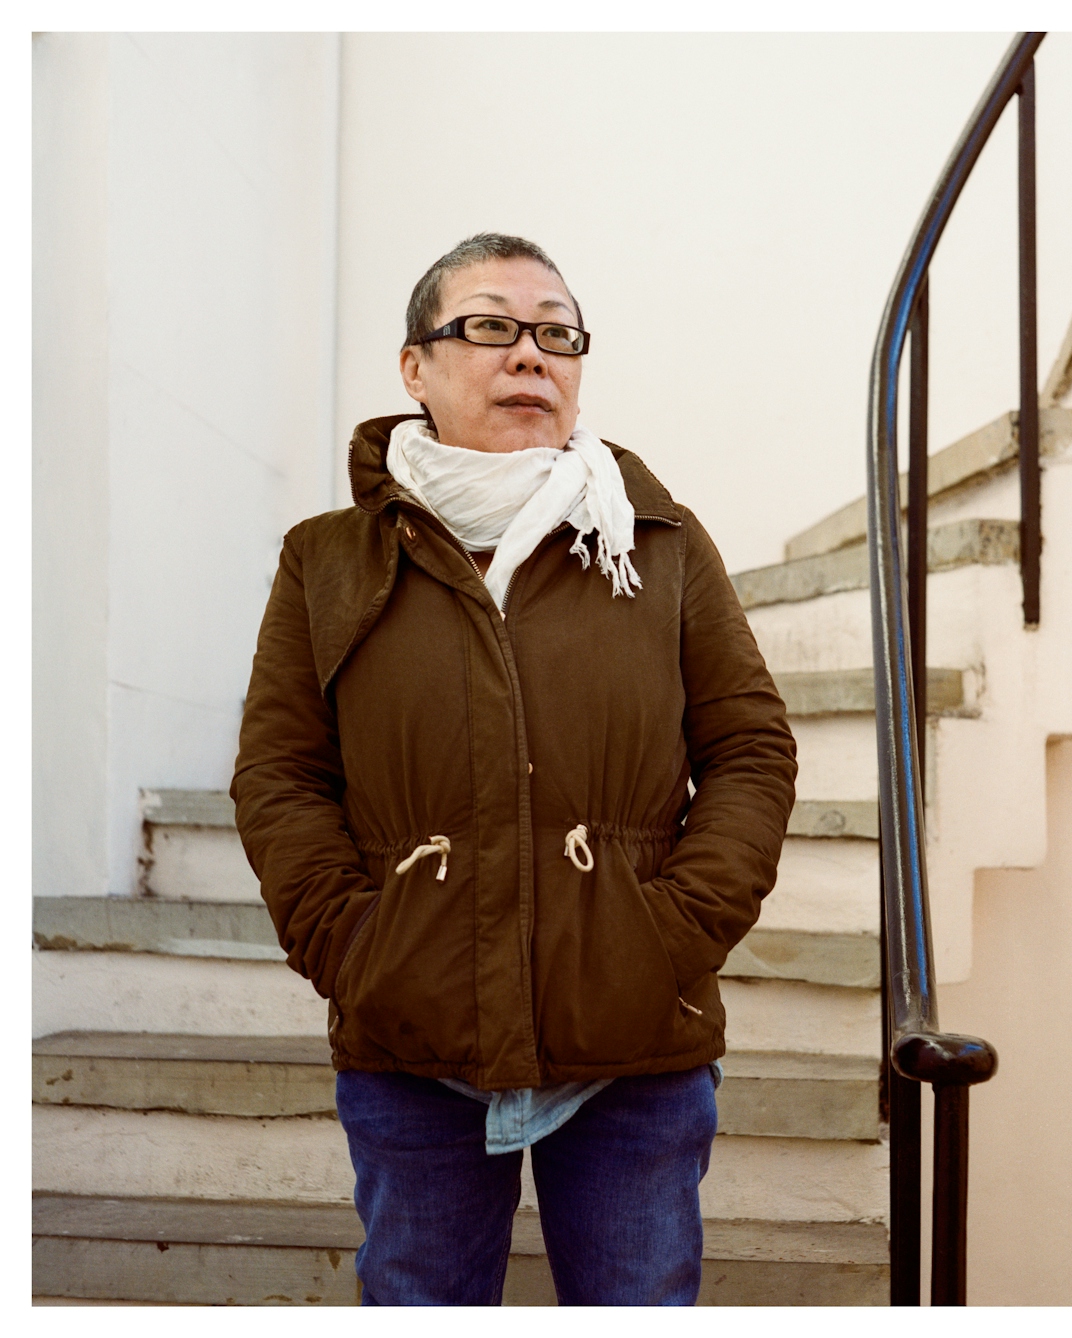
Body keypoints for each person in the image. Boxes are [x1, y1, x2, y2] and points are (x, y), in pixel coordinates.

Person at [231, 233, 797, 1306]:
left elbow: (750, 748)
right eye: (489, 325)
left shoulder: (658, 542)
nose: (530, 354)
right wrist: (355, 946)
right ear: (417, 368)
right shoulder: (329, 559)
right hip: (412, 1031)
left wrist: (671, 933)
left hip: (634, 1037)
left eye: (557, 333)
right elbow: (280, 773)